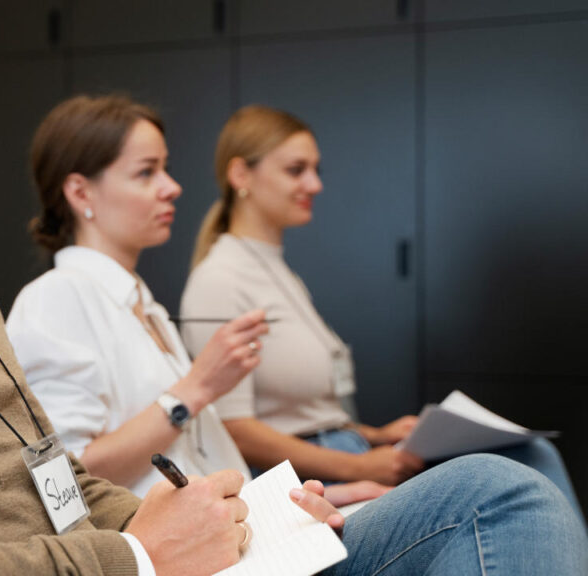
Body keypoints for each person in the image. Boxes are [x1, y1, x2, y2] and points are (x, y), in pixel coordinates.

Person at [0, 1, 586, 572]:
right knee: (501, 502)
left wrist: (239, 517)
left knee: (501, 485)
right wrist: (135, 556)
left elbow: (54, 479)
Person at [3, 95, 587, 575]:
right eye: (147, 172)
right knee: (499, 489)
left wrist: (319, 498)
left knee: (511, 479)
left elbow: (208, 465)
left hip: (255, 527)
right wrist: (192, 392)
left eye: (166, 168)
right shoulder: (56, 300)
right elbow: (69, 484)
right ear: (81, 194)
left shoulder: (144, 306)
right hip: (213, 554)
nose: (174, 187)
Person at [180, 105, 584, 519]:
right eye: (296, 170)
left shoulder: (277, 272)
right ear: (241, 176)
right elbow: (235, 431)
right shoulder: (221, 280)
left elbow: (302, 412)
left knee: (531, 452)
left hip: (346, 450)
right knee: (522, 472)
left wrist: (375, 435)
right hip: (311, 481)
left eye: (316, 169)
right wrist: (360, 465)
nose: (315, 184)